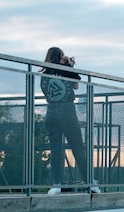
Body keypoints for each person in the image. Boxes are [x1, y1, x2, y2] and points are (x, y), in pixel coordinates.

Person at [40, 47, 100, 195]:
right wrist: (69, 66)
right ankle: (90, 183)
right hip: (67, 111)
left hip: (51, 112)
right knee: (78, 148)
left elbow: (46, 92)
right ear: (61, 56)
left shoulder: (45, 72)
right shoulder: (65, 67)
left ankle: (55, 185)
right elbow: (75, 85)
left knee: (55, 150)